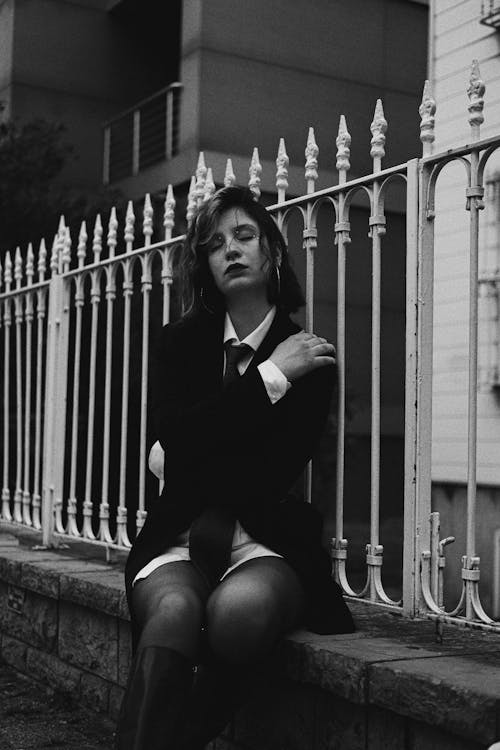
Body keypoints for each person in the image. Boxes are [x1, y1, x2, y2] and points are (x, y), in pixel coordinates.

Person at [115, 186, 354, 750]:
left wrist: (183, 455)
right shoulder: (181, 345)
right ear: (206, 265)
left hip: (262, 541)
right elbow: (174, 438)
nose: (231, 250)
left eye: (245, 236)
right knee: (173, 609)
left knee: (237, 615)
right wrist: (271, 377)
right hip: (179, 538)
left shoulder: (311, 357)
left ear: (271, 251)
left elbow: (265, 474)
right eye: (216, 244)